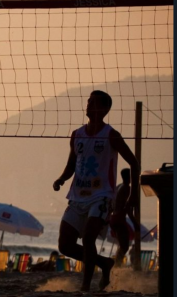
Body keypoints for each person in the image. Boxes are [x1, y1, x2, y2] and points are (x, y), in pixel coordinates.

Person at [53, 90, 139, 292]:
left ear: (104, 108)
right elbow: (71, 165)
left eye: (93, 102)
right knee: (64, 246)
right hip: (77, 197)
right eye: (88, 101)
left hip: (101, 196)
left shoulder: (111, 135)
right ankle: (104, 263)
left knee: (89, 238)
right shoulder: (77, 134)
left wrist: (134, 194)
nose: (88, 104)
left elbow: (134, 163)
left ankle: (85, 286)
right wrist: (61, 179)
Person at [109, 168, 137, 267]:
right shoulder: (127, 188)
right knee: (124, 246)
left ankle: (117, 264)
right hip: (119, 218)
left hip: (114, 218)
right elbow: (128, 208)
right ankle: (116, 265)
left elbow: (112, 204)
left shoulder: (119, 187)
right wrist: (134, 222)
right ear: (130, 177)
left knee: (122, 245)